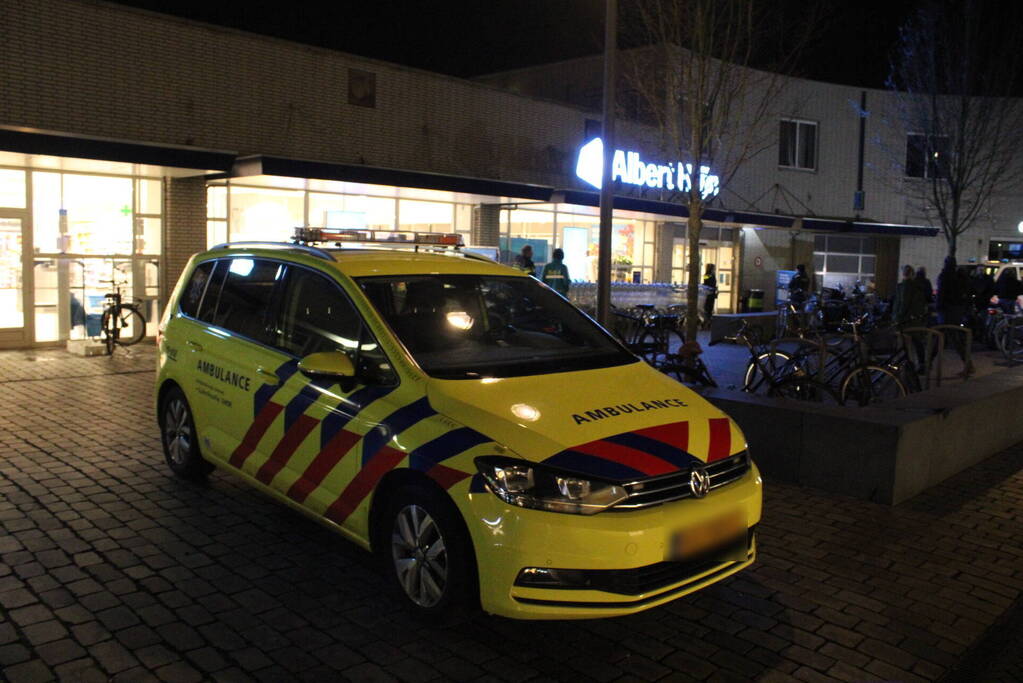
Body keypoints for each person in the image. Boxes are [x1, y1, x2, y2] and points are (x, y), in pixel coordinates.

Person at [936, 256, 973, 373]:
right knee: (954, 338)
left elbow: (941, 294)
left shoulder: (945, 276)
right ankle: (968, 364)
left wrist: (938, 306)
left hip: (946, 311)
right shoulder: (959, 277)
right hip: (957, 310)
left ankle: (925, 364)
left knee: (940, 336)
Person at [893, 264, 928, 369]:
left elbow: (903, 303)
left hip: (905, 320)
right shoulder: (918, 286)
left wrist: (897, 317)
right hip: (916, 319)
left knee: (903, 343)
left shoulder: (904, 286)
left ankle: (905, 365)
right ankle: (921, 364)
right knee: (917, 343)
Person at [702, 263, 717, 328]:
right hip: (709, 294)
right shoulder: (708, 275)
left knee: (709, 308)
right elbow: (706, 282)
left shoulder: (710, 275)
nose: (715, 269)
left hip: (711, 293)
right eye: (714, 268)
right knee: (708, 308)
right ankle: (707, 322)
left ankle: (708, 322)